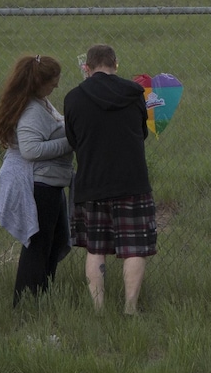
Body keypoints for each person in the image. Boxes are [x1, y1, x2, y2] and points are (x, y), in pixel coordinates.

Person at [64, 44, 156, 315]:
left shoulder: (73, 98)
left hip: (91, 182)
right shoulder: (134, 93)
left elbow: (73, 139)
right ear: (115, 64)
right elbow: (142, 132)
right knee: (135, 247)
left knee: (96, 248)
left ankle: (99, 309)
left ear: (87, 68)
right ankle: (130, 307)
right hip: (132, 181)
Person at [0, 55, 74, 306]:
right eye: (52, 82)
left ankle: (42, 295)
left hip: (51, 183)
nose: (56, 86)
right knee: (38, 245)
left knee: (55, 241)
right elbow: (30, 150)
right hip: (38, 185)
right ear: (38, 82)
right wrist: (71, 141)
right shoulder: (31, 111)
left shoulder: (42, 102)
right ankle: (26, 302)